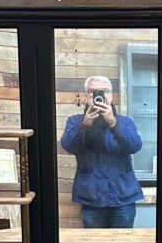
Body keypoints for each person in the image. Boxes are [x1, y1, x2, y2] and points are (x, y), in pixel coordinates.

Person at [60, 75, 144, 229]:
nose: (97, 95)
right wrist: (85, 125)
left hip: (123, 197)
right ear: (86, 97)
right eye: (92, 92)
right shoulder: (76, 121)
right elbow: (68, 145)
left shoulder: (125, 122)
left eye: (103, 91)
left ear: (110, 96)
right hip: (91, 198)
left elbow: (135, 146)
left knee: (123, 242)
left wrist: (113, 123)